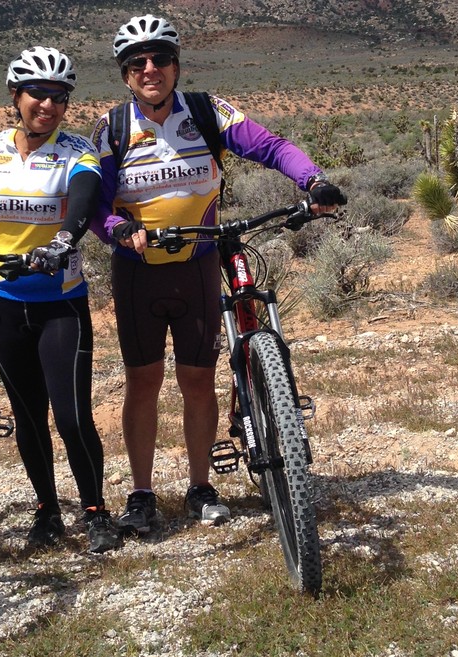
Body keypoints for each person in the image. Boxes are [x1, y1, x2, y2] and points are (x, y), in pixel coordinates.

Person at [90, 15, 347, 535]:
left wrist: (312, 180)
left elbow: (271, 146)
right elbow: (95, 205)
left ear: (176, 65)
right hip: (139, 272)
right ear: (124, 75)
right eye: (136, 63)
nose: (150, 69)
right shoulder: (112, 128)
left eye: (160, 58)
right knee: (143, 382)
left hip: (199, 265)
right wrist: (118, 228)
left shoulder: (208, 112)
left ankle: (200, 486)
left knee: (198, 379)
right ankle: (141, 493)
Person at [0, 46, 120, 553]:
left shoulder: (77, 152)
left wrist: (61, 243)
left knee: (71, 416)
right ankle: (47, 509)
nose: (47, 105)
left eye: (59, 96)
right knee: (28, 415)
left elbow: (82, 203)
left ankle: (95, 511)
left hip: (59, 303)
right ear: (15, 96)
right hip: (1, 301)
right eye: (38, 94)